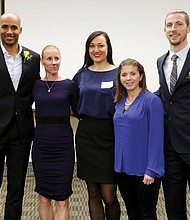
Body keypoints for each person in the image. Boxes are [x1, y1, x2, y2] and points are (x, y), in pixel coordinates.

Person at [72, 31, 120, 220]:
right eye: (92, 46)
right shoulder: (82, 74)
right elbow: (74, 103)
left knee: (109, 196)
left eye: (100, 45)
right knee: (93, 194)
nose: (96, 49)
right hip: (86, 136)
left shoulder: (119, 72)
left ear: (108, 48)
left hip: (110, 136)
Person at [0, 12, 40, 219]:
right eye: (5, 27)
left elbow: (36, 91)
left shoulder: (33, 58)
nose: (9, 31)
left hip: (22, 133)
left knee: (17, 187)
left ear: (20, 30)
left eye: (14, 28)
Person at [114, 58, 164, 220]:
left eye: (132, 74)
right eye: (124, 75)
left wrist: (151, 169)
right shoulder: (120, 103)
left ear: (141, 76)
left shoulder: (152, 101)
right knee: (132, 212)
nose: (128, 78)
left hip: (144, 171)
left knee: (147, 214)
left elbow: (157, 138)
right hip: (122, 169)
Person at [32, 45, 78, 220]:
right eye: (49, 59)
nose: (53, 62)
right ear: (42, 61)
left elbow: (78, 110)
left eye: (56, 58)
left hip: (63, 146)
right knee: (43, 197)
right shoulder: (35, 85)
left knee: (62, 200)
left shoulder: (70, 85)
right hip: (41, 145)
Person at [156, 9, 190, 220]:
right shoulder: (161, 61)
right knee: (173, 203)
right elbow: (164, 94)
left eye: (178, 24)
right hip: (169, 145)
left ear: (188, 28)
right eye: (169, 25)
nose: (173, 29)